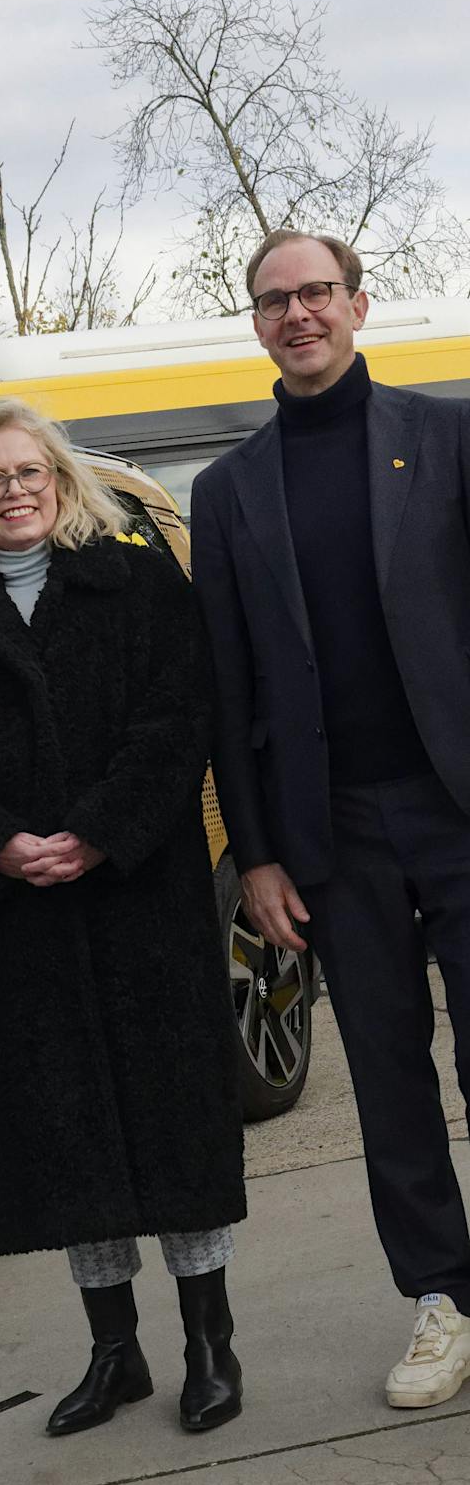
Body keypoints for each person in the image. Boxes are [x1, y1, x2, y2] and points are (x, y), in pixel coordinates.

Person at [0, 397, 245, 1436]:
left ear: (58, 476)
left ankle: (208, 1344)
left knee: (170, 1123)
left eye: (27, 470)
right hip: (22, 924)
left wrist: (94, 829)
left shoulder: (135, 581)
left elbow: (179, 718)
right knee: (68, 1136)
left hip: (139, 901)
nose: (12, 489)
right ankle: (112, 1351)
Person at [191, 229, 470, 1409]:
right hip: (332, 833)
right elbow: (224, 686)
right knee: (389, 1075)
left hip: (457, 802)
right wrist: (254, 852)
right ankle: (441, 1297)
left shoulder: (444, 438)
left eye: (315, 293)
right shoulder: (224, 490)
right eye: (272, 300)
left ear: (358, 305)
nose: (295, 313)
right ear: (253, 322)